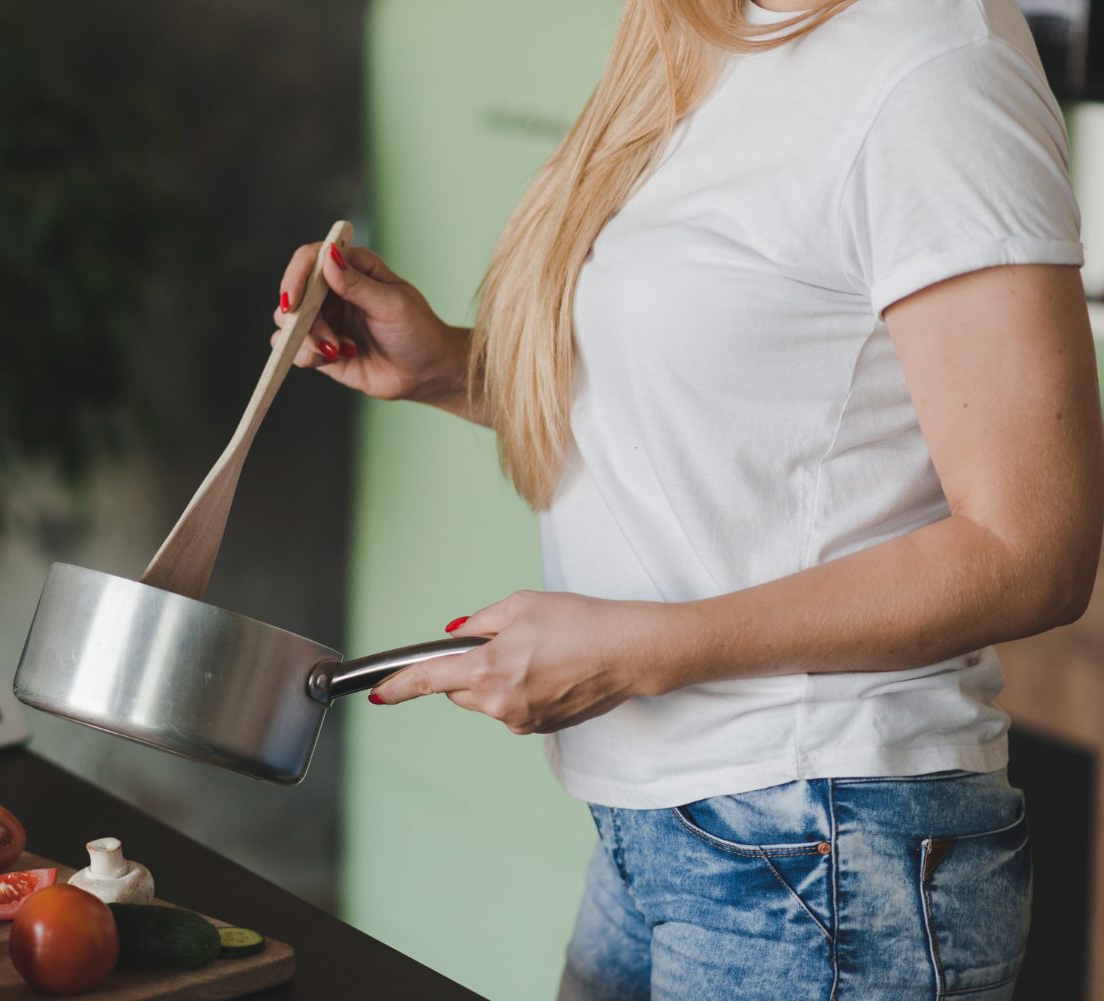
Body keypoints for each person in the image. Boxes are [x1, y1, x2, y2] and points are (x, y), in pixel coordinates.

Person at [272, 0, 1104, 997]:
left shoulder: (932, 58)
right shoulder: (706, 27)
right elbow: (731, 411)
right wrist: (451, 366)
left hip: (826, 844)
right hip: (664, 832)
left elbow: (1034, 550)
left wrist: (643, 649)